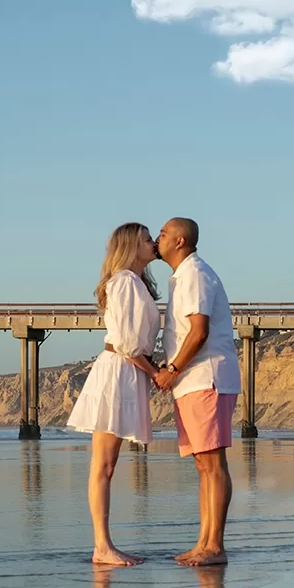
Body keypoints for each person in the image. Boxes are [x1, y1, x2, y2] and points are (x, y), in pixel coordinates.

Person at [67, 223, 161, 566]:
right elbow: (124, 341)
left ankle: (103, 545)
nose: (154, 244)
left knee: (107, 465)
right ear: (131, 246)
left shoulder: (134, 283)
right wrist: (154, 372)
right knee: (103, 465)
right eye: (148, 239)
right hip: (119, 372)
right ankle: (102, 547)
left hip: (128, 371)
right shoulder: (123, 282)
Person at [155, 218, 241, 566]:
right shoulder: (183, 276)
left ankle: (214, 546)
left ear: (180, 240)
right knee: (204, 465)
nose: (156, 238)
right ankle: (204, 541)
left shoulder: (194, 274)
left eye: (161, 234)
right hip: (192, 381)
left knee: (213, 463)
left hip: (205, 377)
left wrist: (172, 369)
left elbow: (199, 331)